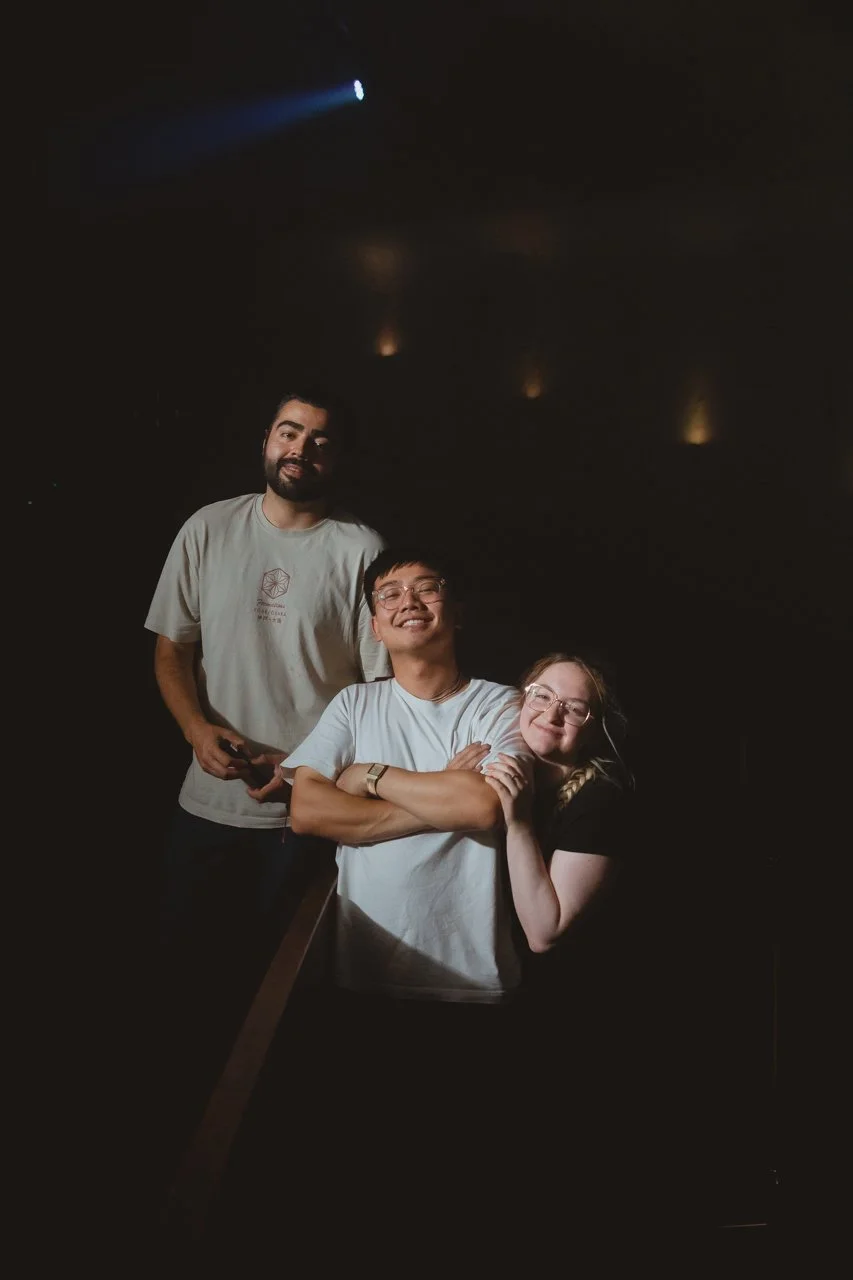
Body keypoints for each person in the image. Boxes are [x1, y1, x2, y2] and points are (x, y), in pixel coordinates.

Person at [144, 384, 390, 1169]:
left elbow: (378, 693)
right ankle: (166, 1140)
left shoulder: (360, 549)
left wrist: (308, 769)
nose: (300, 449)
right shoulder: (208, 528)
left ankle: (261, 1158)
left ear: (338, 455)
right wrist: (193, 728)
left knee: (279, 1001)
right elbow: (170, 648)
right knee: (183, 985)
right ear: (265, 440)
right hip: (203, 804)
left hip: (304, 815)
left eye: (319, 440)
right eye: (290, 432)